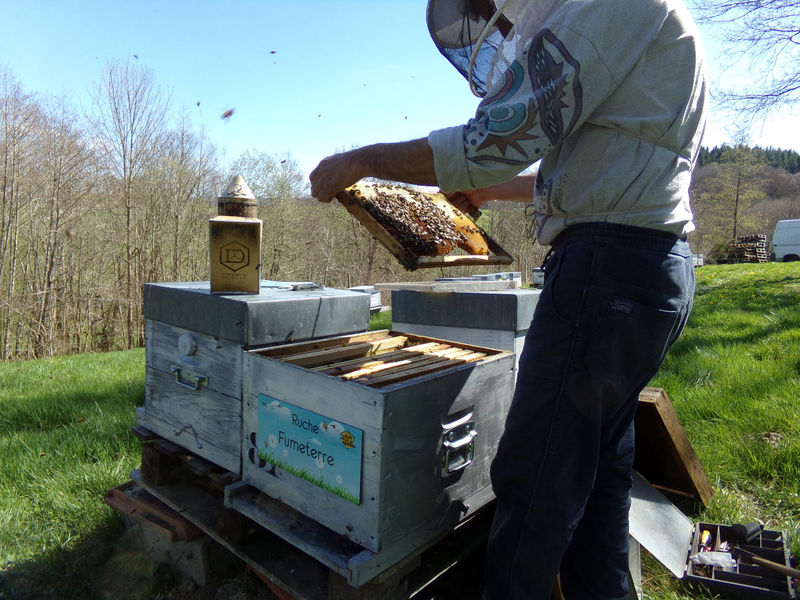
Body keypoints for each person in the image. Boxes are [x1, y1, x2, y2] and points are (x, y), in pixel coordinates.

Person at [310, 0, 707, 598]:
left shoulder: (605, 4)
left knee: (537, 474)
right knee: (597, 476)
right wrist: (485, 188)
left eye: (493, 15)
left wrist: (362, 159)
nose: (499, 30)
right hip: (643, 271)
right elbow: (585, 166)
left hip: (608, 272)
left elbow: (497, 136)